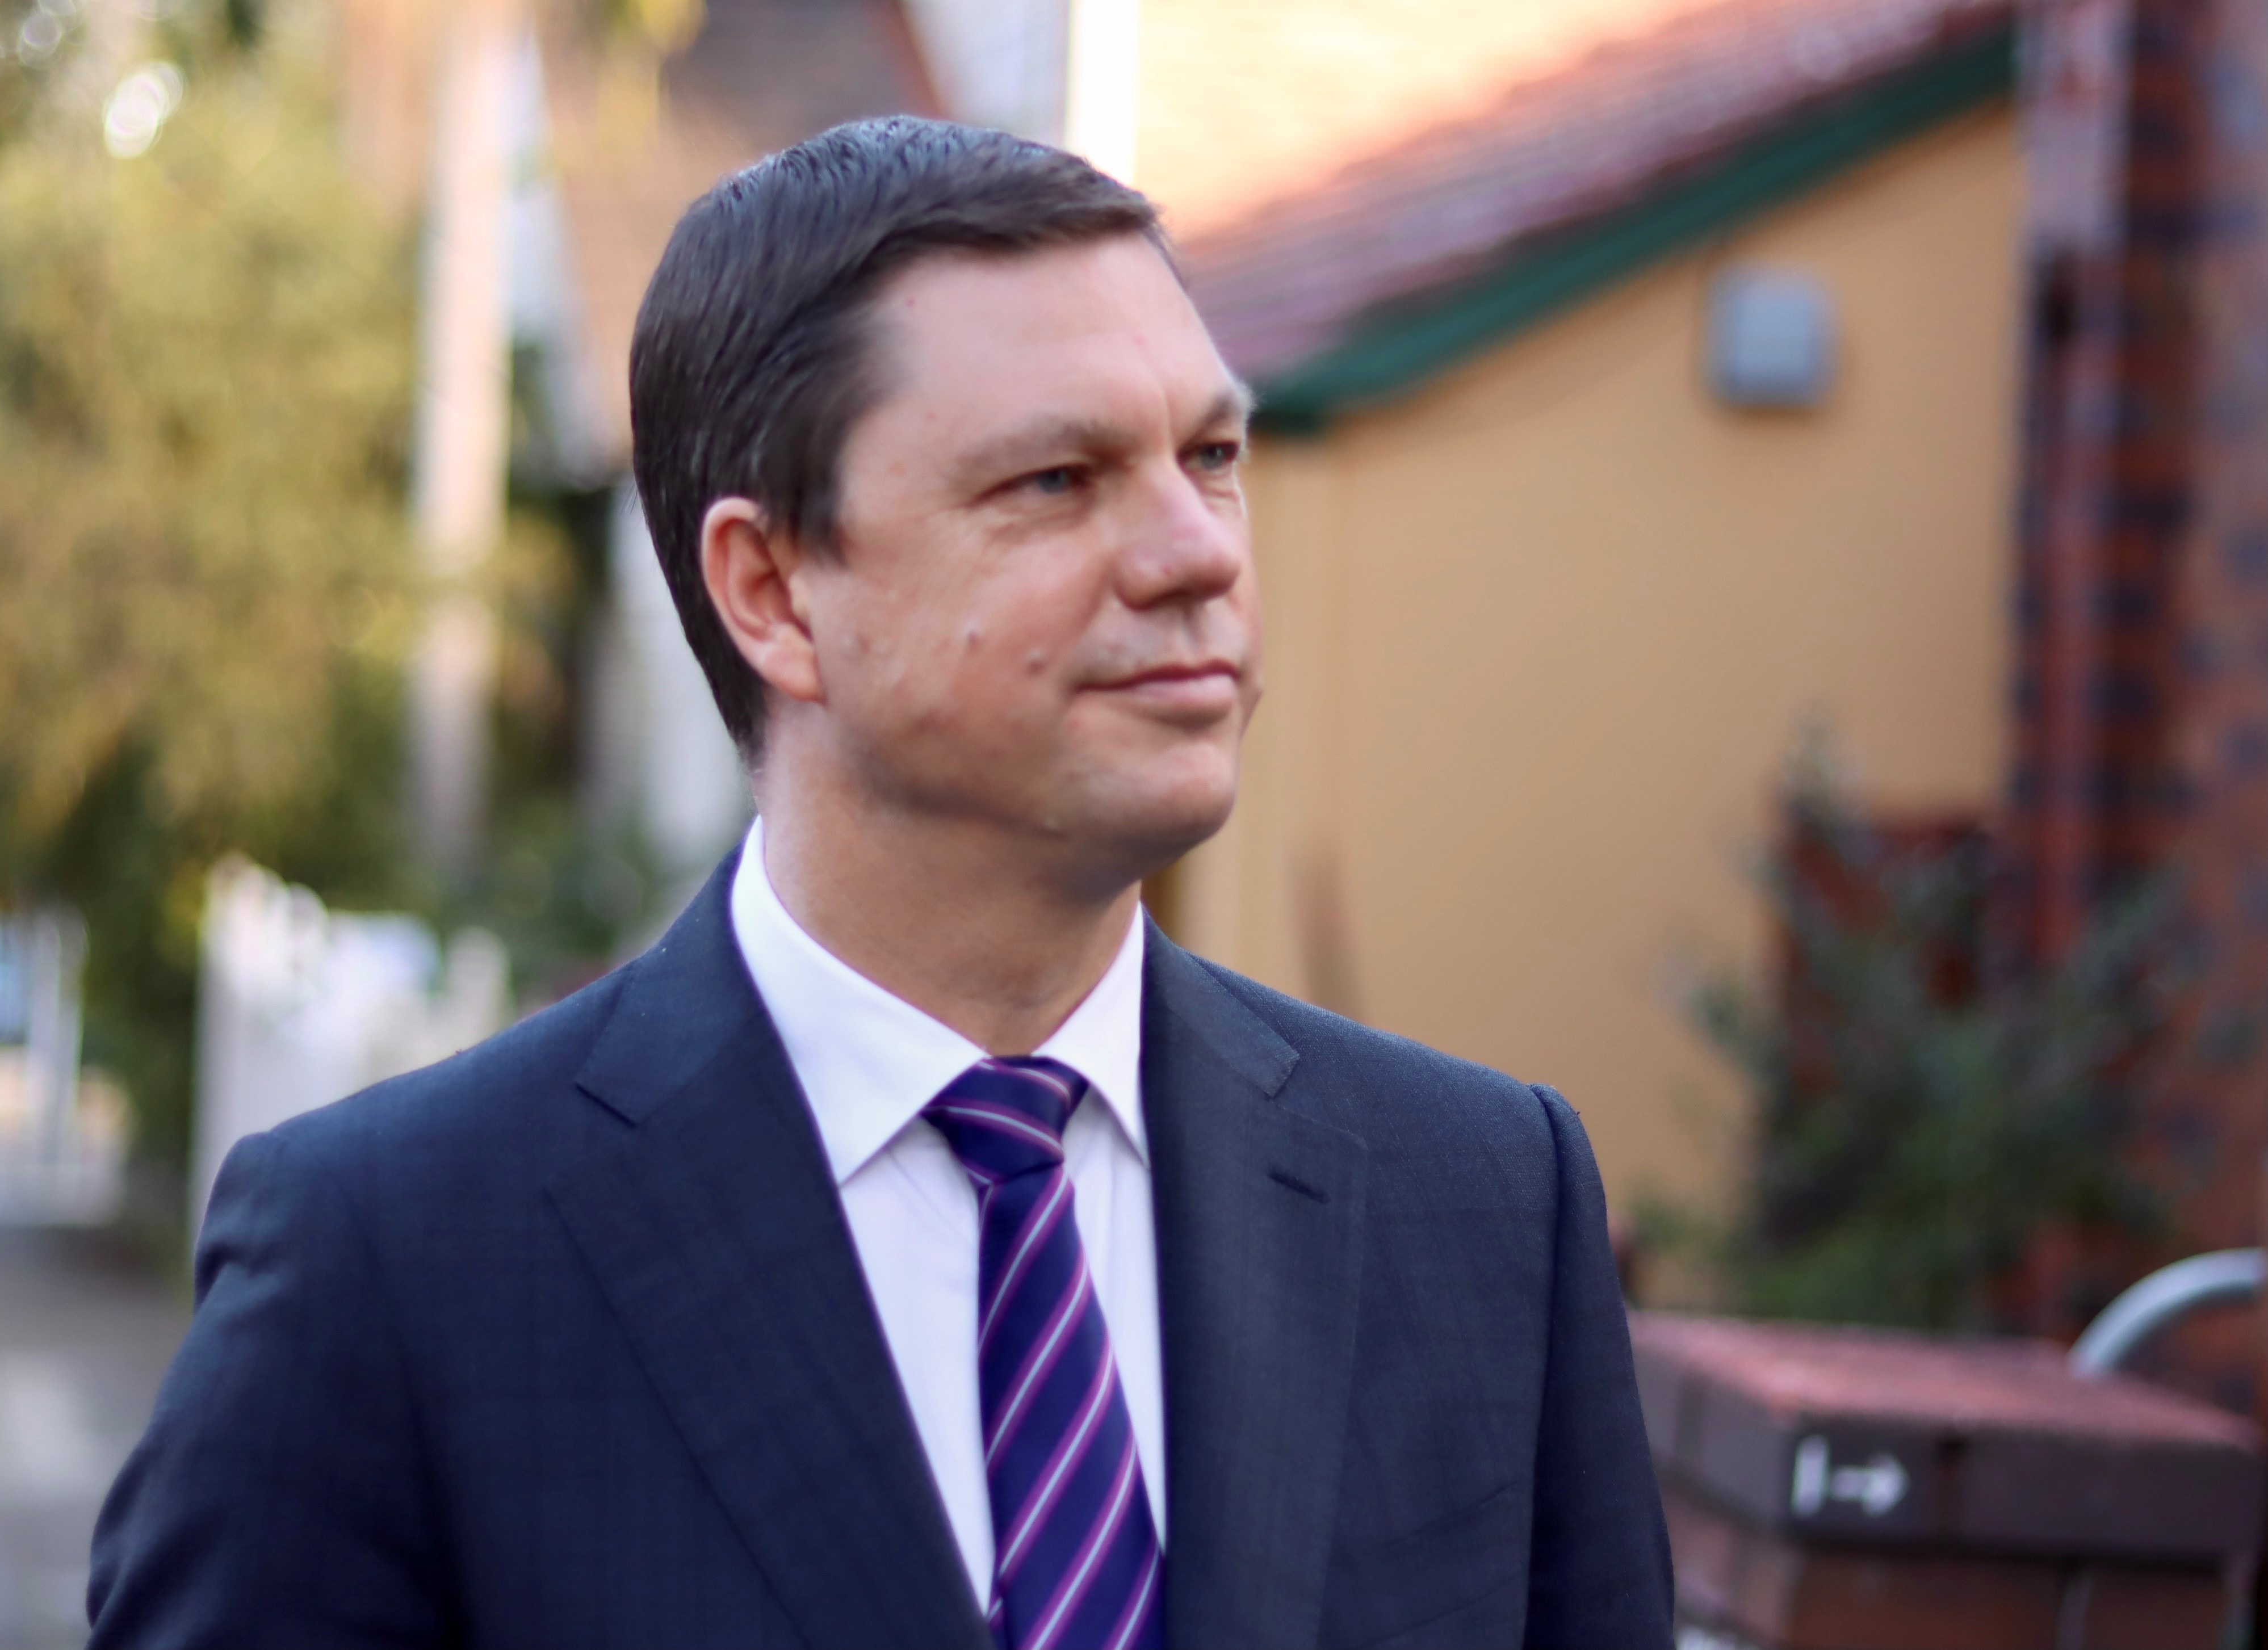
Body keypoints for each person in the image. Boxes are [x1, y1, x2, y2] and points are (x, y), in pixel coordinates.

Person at [88, 117, 1674, 1650]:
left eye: (1211, 456)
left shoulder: (1482, 1202)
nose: (1194, 550)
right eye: (1055, 479)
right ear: (772, 591)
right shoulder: (396, 1263)